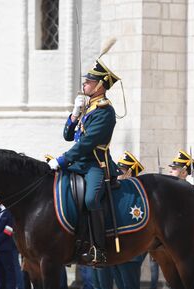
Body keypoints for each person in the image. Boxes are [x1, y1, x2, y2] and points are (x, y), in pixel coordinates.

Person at [48, 53, 121, 265]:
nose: (84, 84)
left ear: (100, 86)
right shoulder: (88, 108)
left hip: (95, 165)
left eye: (88, 82)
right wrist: (74, 114)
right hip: (79, 163)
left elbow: (87, 143)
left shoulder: (105, 111)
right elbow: (68, 136)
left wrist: (62, 160)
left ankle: (99, 248)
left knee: (90, 199)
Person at [102, 151, 146, 289]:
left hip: (131, 251)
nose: (118, 173)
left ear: (130, 173)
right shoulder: (118, 192)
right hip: (118, 250)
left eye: (122, 170)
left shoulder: (136, 196)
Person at [155, 150, 194, 289]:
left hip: (190, 246)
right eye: (172, 168)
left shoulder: (189, 194)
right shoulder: (170, 194)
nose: (172, 171)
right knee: (176, 285)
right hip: (171, 246)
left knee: (189, 286)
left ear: (184, 172)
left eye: (176, 169)